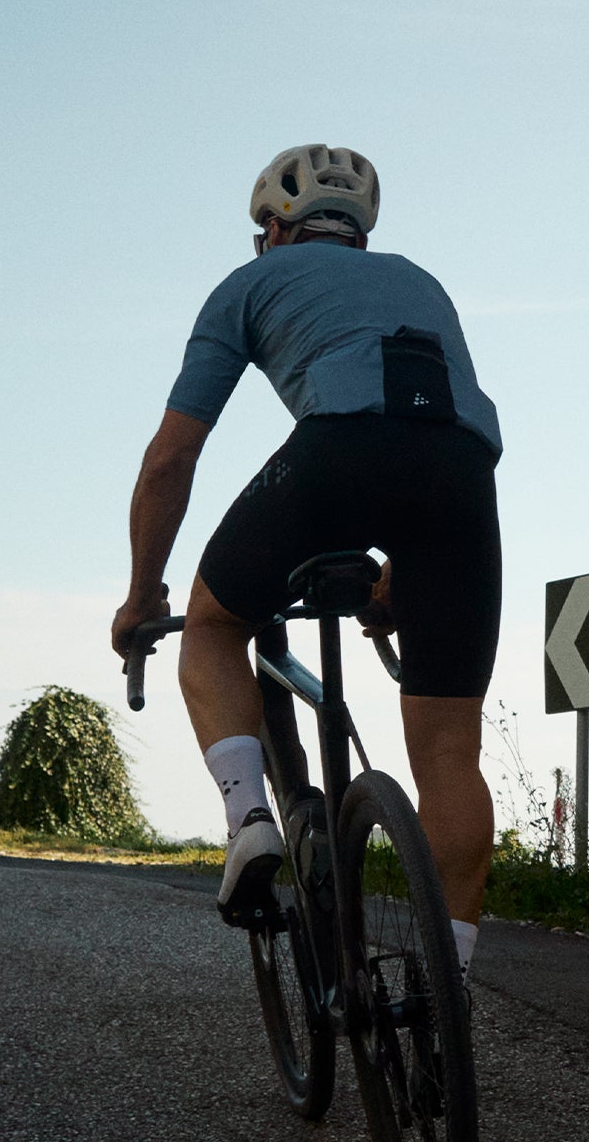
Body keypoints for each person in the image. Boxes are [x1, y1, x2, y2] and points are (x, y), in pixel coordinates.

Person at [110, 144, 502, 979]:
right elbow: (422, 422)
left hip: (335, 454)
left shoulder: (248, 286)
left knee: (214, 628)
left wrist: (144, 593)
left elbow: (169, 461)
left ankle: (251, 822)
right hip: (463, 479)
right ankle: (446, 994)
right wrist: (402, 564)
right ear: (359, 234)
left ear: (274, 230)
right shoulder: (421, 282)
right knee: (448, 756)